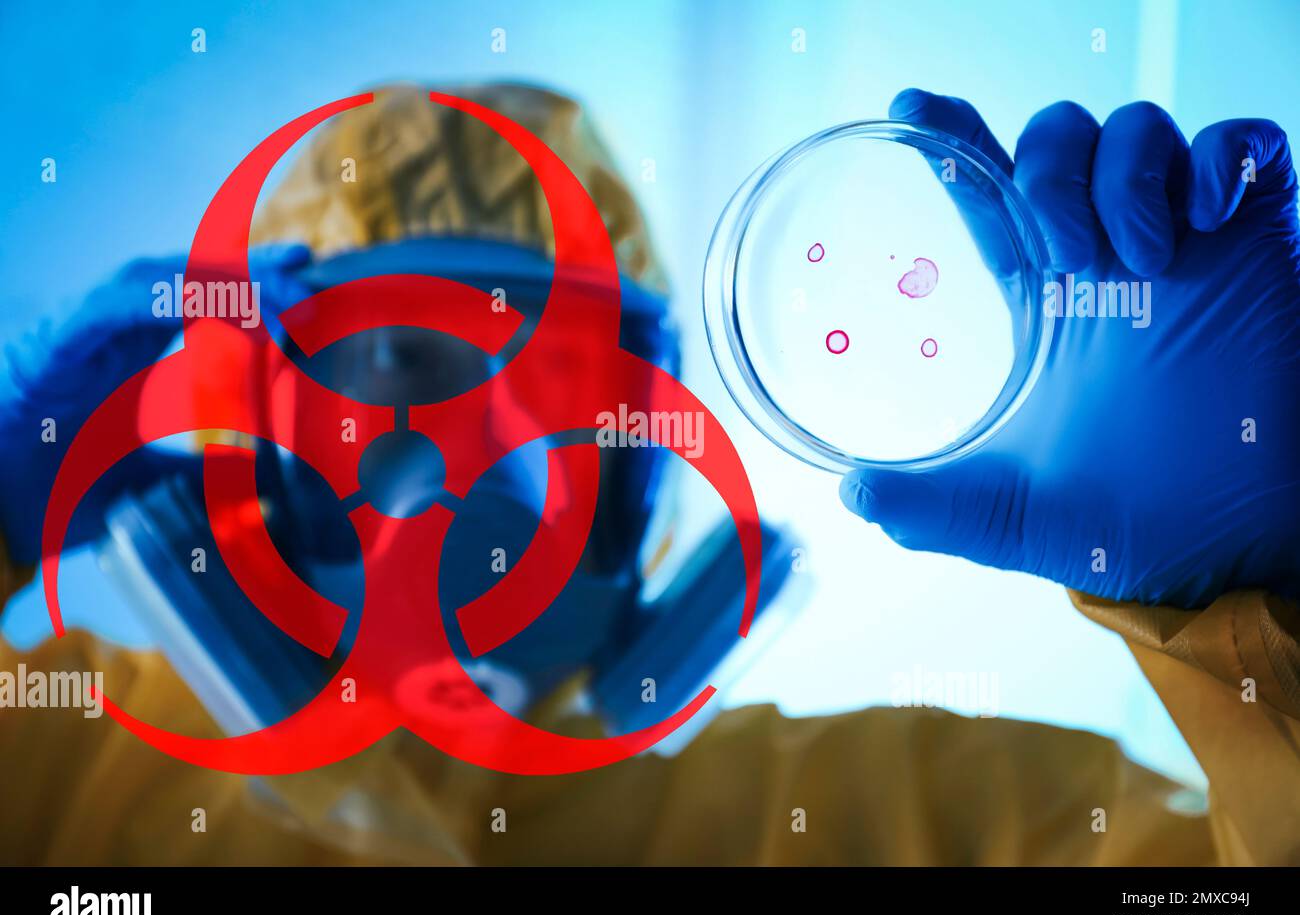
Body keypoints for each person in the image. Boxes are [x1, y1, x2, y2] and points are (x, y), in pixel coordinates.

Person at [0, 83, 1293, 865]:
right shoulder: (56, 765)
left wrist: (1246, 616)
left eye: (556, 377)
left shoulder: (919, 817)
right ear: (242, 432)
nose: (472, 459)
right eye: (398, 361)